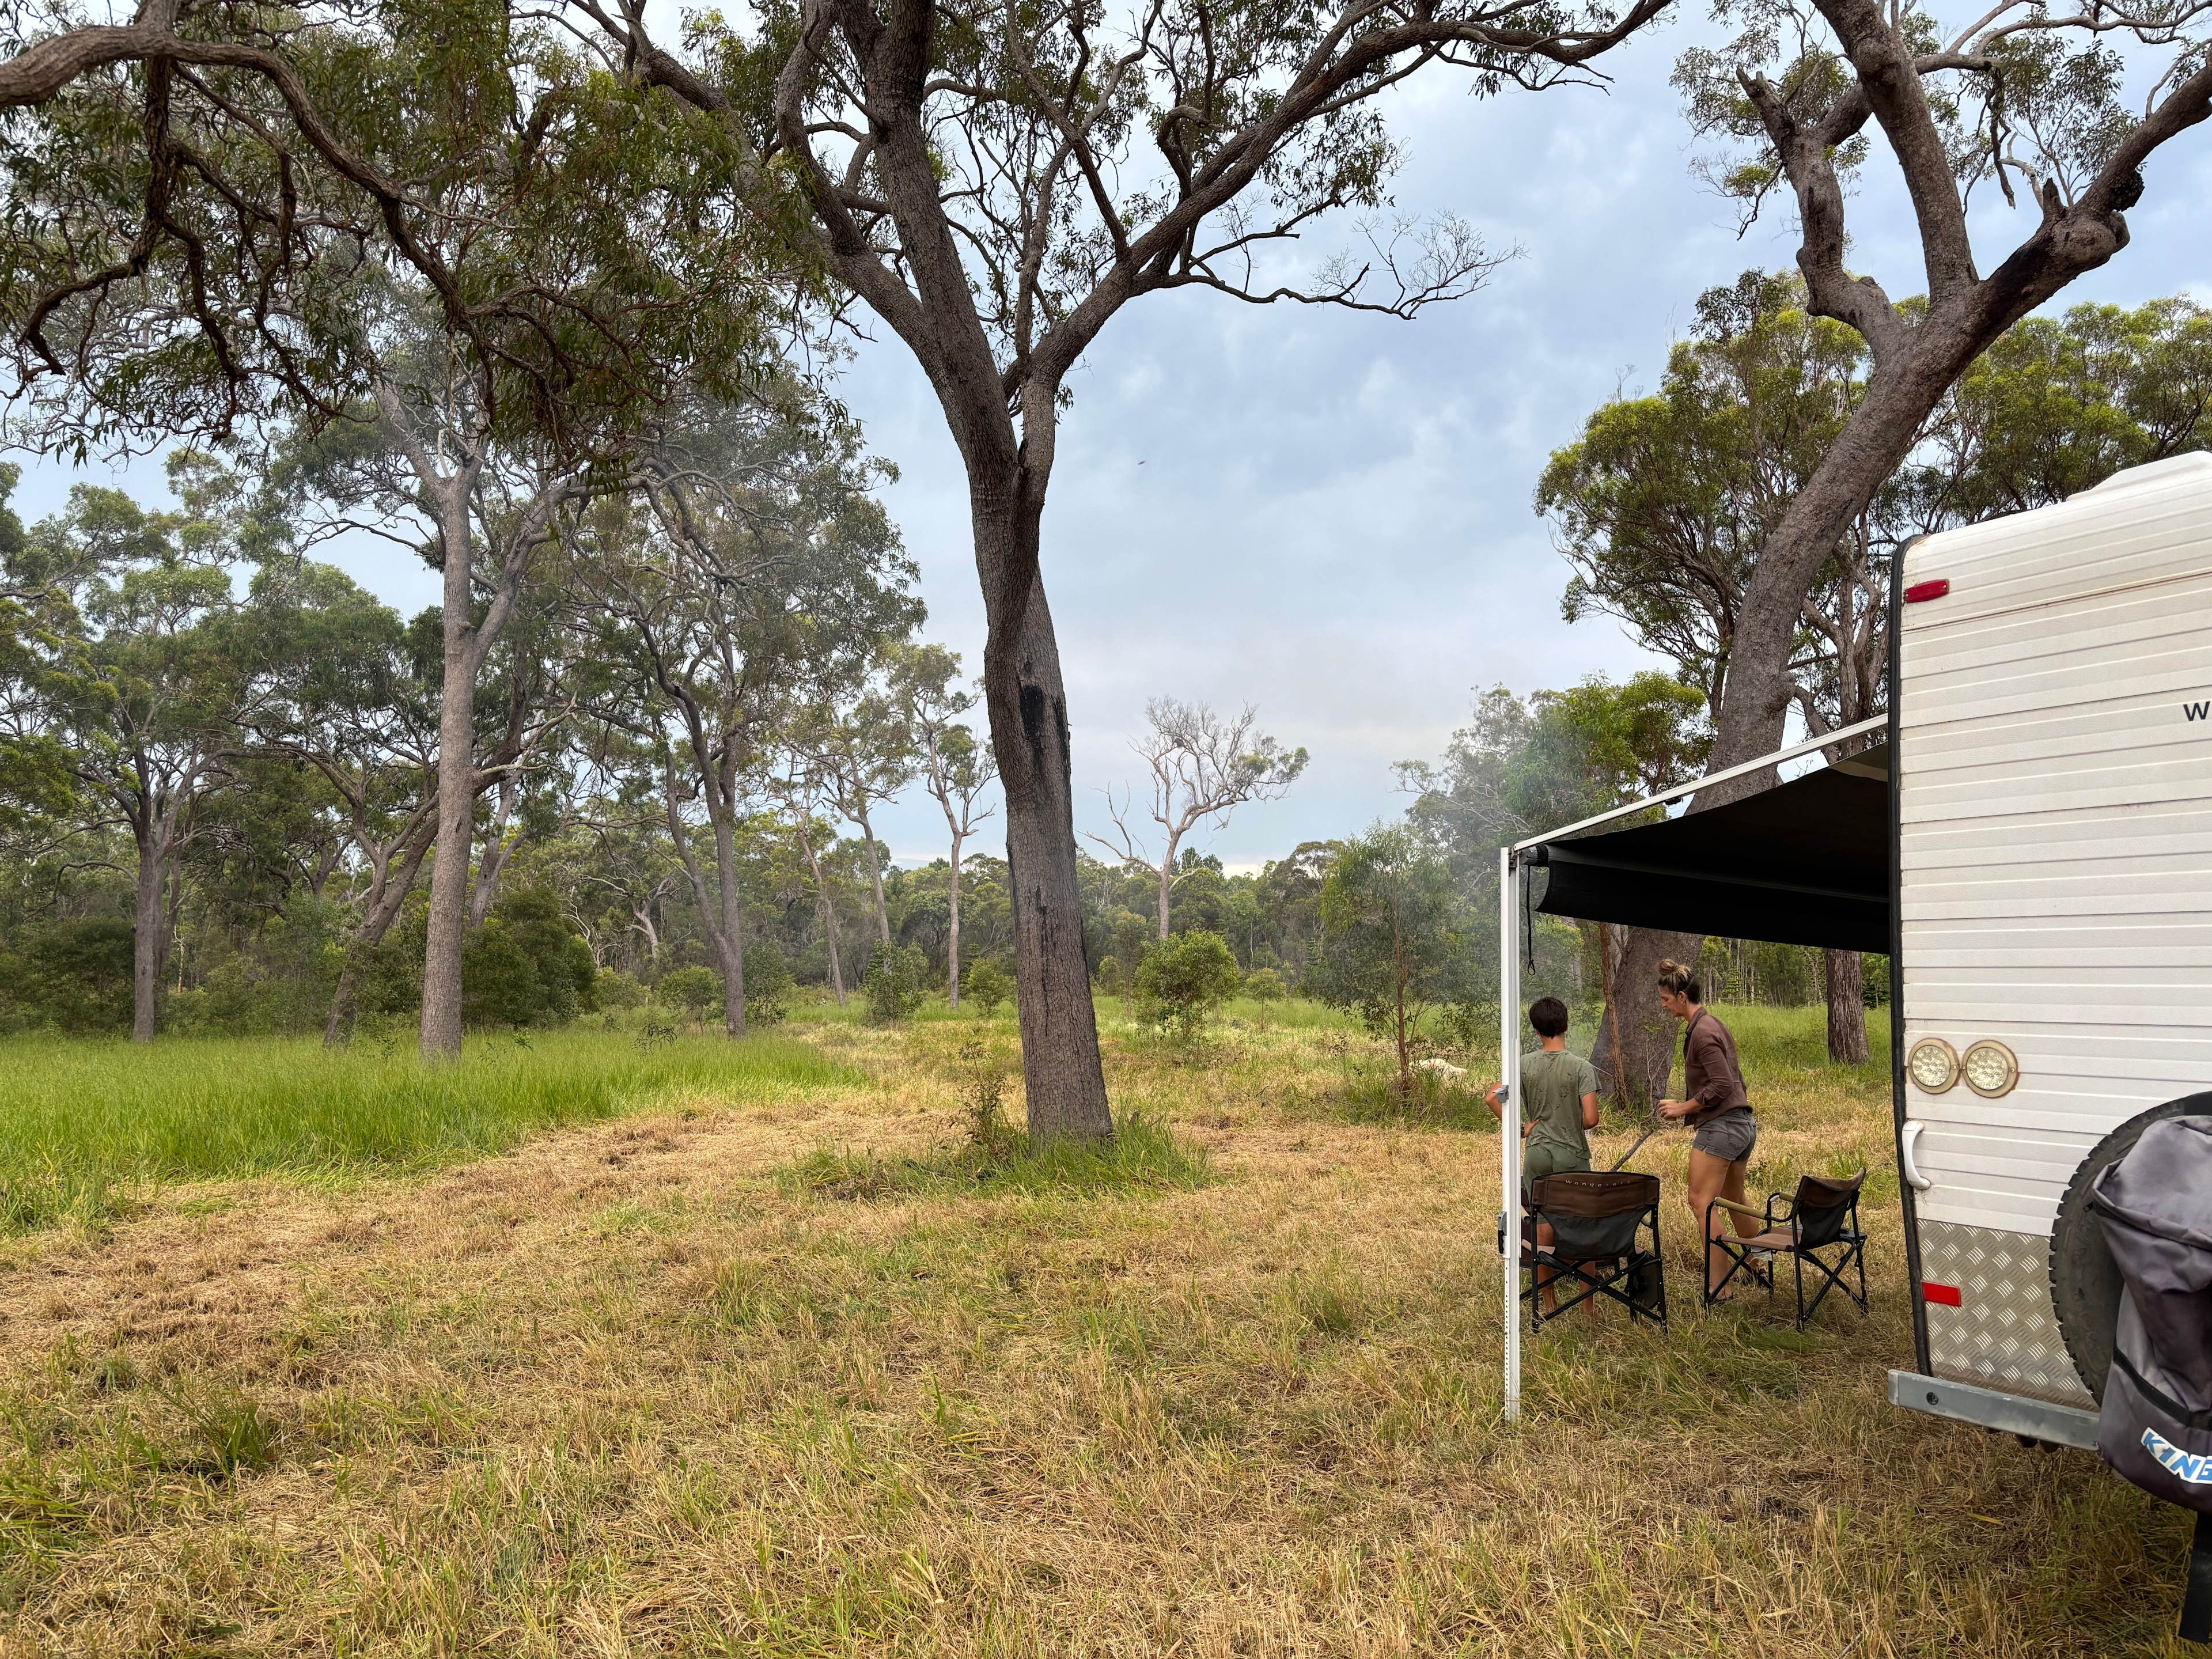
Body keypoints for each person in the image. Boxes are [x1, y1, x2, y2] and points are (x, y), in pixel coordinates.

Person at [1652, 957, 1761, 1299]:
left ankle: (1720, 1287)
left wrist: (1683, 1107)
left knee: (1702, 1201)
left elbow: (1723, 1084)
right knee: (1734, 1199)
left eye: (1667, 1000)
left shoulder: (1701, 1031)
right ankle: (1756, 1268)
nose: (1665, 1006)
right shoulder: (1711, 1023)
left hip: (1723, 1128)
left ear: (1682, 997)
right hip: (1742, 1126)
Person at [1488, 995, 1601, 1314]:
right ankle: (1588, 1308)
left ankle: (1548, 1303)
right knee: (1582, 1227)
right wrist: (1569, 1120)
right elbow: (1591, 1119)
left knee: (1541, 1225)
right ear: (1566, 1025)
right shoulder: (1581, 1067)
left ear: (1536, 1030)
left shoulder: (1522, 1064)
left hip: (1536, 1153)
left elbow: (1491, 1099)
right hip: (1572, 1156)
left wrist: (1521, 1130)